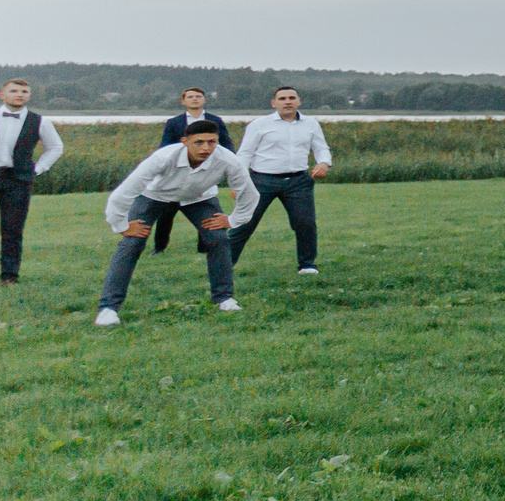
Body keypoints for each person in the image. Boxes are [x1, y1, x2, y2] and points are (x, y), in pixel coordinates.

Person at [95, 123, 266, 326]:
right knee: (132, 243)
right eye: (198, 142)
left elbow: (249, 193)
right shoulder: (163, 157)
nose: (206, 148)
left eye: (212, 142)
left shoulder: (228, 160)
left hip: (199, 198)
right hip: (155, 195)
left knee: (218, 238)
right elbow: (124, 193)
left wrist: (233, 220)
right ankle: (108, 309)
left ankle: (224, 298)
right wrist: (122, 226)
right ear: (184, 142)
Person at [0, 79, 65, 287]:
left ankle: (9, 277)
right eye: (14, 90)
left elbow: (55, 147)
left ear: (29, 96)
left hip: (17, 179)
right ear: (2, 95)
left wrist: (37, 169)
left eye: (24, 91)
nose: (20, 94)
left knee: (12, 230)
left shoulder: (40, 122)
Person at [228, 87, 332, 274]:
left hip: (298, 181)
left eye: (292, 98)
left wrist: (324, 163)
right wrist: (239, 184)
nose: (287, 102)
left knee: (305, 223)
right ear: (273, 103)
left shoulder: (311, 124)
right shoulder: (259, 125)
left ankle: (307, 265)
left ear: (299, 101)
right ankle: (223, 264)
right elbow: (244, 154)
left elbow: (321, 148)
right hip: (261, 181)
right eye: (282, 98)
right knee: (244, 223)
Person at [153, 88, 233, 255]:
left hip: (206, 171)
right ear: (184, 101)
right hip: (178, 173)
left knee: (204, 210)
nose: (194, 99)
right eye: (190, 97)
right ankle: (159, 247)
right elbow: (165, 147)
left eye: (198, 96)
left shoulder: (215, 120)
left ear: (204, 100)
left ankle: (203, 247)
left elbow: (227, 145)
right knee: (166, 213)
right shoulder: (174, 122)